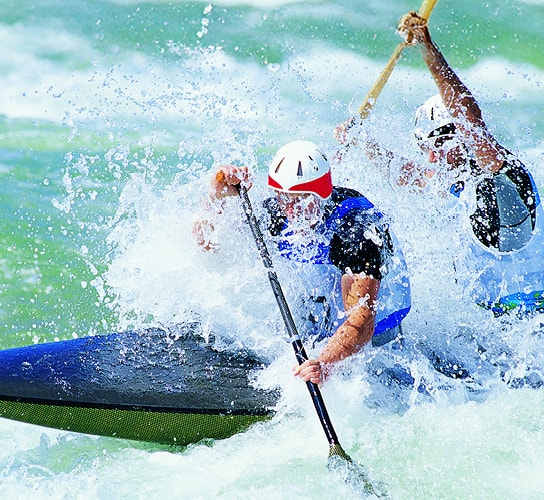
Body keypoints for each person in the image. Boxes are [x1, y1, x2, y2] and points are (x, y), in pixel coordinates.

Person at [336, 11, 544, 317]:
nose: (432, 157)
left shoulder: (505, 176)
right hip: (491, 329)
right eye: (425, 148)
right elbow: (412, 176)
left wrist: (428, 50)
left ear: (461, 136)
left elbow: (469, 119)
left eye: (439, 143)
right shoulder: (458, 181)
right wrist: (363, 142)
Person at [193, 140, 411, 385]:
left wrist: (324, 364)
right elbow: (209, 245)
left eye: (302, 200)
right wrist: (216, 197)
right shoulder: (277, 214)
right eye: (284, 198)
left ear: (321, 195)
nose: (292, 209)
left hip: (378, 333)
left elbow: (362, 320)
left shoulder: (357, 233)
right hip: (326, 310)